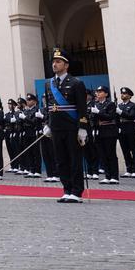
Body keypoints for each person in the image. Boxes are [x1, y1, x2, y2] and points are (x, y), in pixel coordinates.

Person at [42, 47, 89, 203]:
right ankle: (67, 189)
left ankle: (76, 191)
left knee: (74, 160)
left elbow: (82, 108)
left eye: (58, 62)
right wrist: (47, 123)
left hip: (71, 127)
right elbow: (49, 106)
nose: (54, 65)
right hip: (56, 127)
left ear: (66, 65)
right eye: (53, 62)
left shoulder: (76, 83)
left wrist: (82, 128)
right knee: (60, 160)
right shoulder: (49, 84)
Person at [90, 86, 119, 184]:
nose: (98, 93)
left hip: (109, 131)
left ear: (106, 94)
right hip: (99, 131)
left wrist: (98, 112)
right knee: (103, 155)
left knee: (111, 154)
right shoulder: (96, 104)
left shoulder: (110, 104)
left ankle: (114, 176)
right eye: (97, 92)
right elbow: (93, 119)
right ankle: (107, 176)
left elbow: (110, 116)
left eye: (101, 92)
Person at [116, 87, 135, 178]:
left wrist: (121, 112)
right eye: (122, 93)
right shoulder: (119, 105)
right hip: (122, 128)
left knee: (133, 149)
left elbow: (132, 116)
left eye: (125, 94)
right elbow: (116, 119)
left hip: (130, 127)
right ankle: (128, 169)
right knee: (125, 150)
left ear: (129, 96)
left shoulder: (134, 105)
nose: (122, 95)